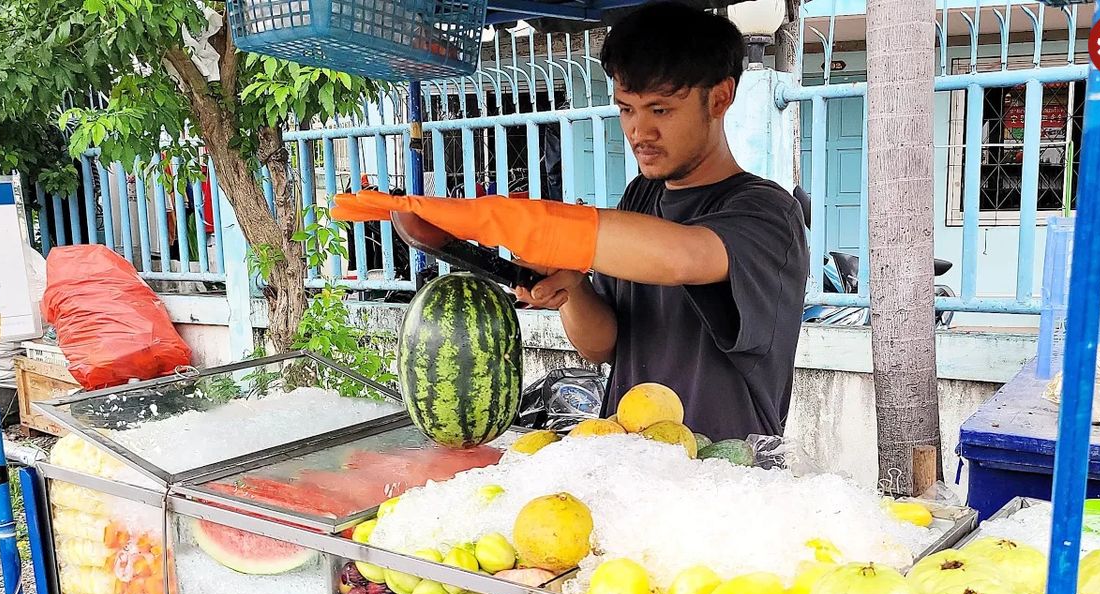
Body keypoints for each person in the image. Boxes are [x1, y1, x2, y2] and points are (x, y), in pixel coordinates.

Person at [332, 2, 808, 440]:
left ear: (720, 98)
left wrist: (495, 220)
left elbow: (684, 255)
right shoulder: (639, 197)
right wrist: (573, 289)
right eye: (627, 109)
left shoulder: (765, 213)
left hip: (725, 480)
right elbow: (604, 347)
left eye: (661, 110)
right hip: (625, 469)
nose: (639, 132)